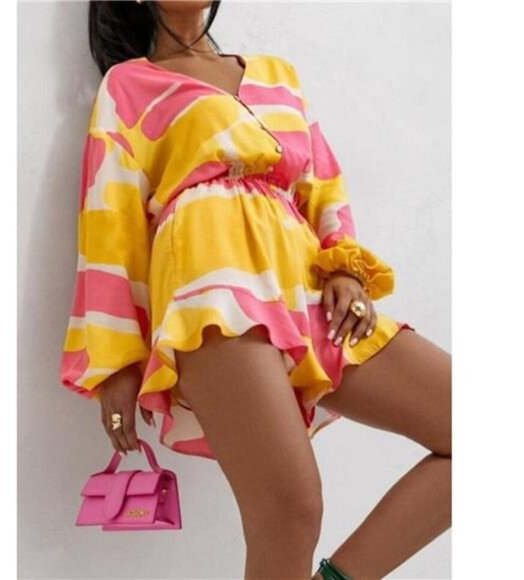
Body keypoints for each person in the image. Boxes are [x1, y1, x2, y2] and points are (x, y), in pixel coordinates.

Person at [60, 2, 451, 579]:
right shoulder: (129, 84)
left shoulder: (276, 74)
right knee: (289, 509)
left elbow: (321, 185)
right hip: (209, 288)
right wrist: (113, 361)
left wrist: (346, 269)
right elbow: (108, 219)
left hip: (303, 283)